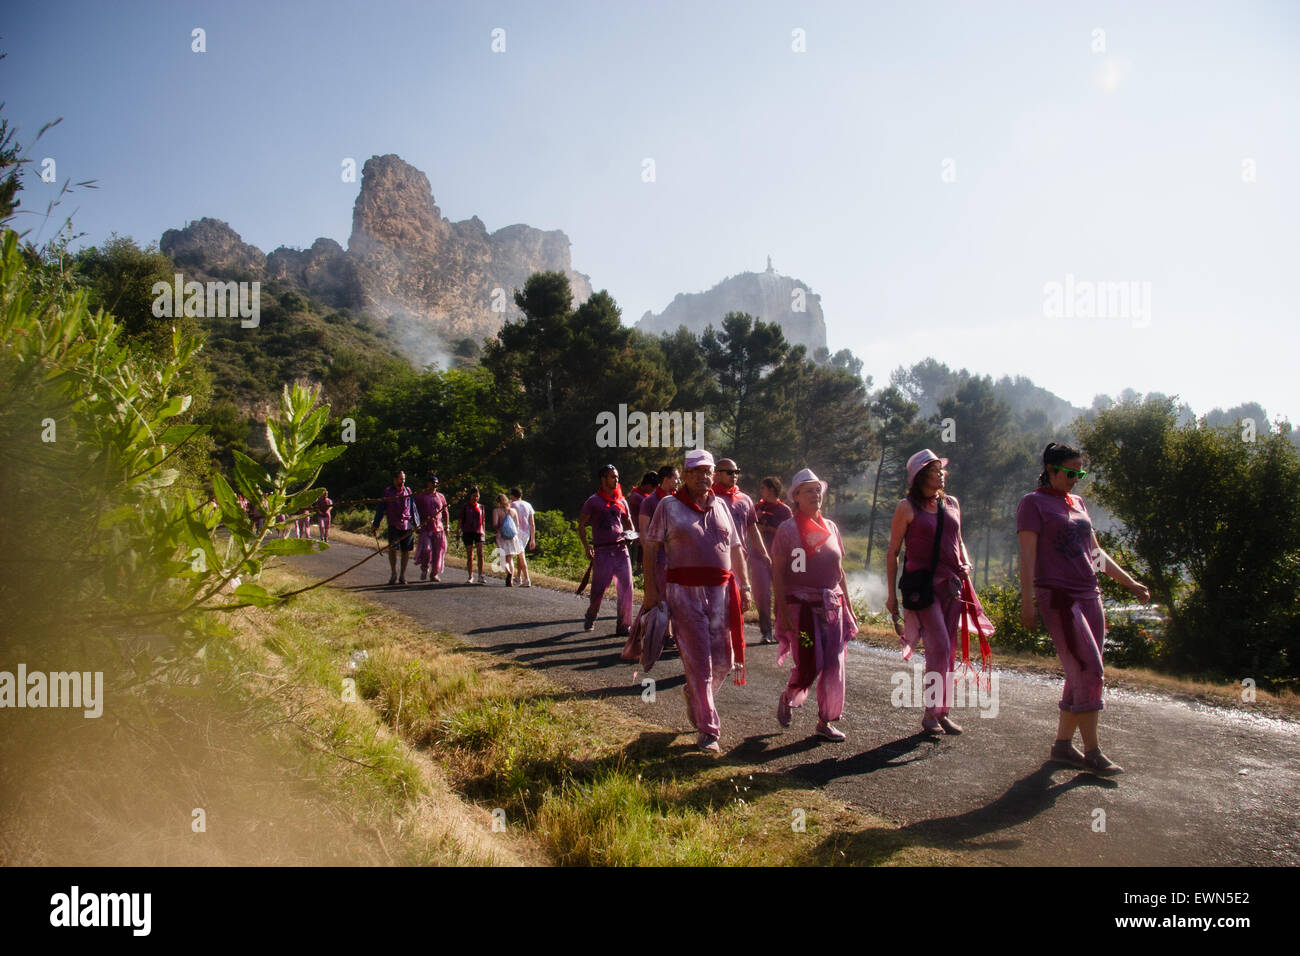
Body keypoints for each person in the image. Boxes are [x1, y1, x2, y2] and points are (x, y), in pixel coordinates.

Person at [1018, 442, 1149, 775]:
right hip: (1059, 598)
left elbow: (1095, 554)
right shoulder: (1032, 504)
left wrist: (1130, 583)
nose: (1076, 478)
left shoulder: (1077, 503)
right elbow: (1028, 557)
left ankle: (1063, 746)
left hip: (1090, 594)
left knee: (1080, 671)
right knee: (1090, 669)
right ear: (1051, 469)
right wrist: (1027, 603)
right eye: (1071, 472)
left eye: (1080, 472)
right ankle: (1093, 752)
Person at [642, 449, 751, 753]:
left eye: (709, 471)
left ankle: (694, 695)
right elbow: (650, 549)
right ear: (685, 475)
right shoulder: (669, 506)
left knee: (723, 661)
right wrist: (651, 592)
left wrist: (746, 588)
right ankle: (709, 730)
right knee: (699, 662)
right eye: (697, 471)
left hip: (720, 594)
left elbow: (737, 549)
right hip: (684, 593)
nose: (704, 476)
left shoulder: (722, 506)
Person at [884, 449, 989, 735]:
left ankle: (942, 712)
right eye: (933, 470)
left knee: (949, 650)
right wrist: (891, 595)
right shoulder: (907, 507)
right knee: (940, 646)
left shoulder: (951, 503)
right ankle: (931, 715)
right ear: (920, 477)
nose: (940, 474)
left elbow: (958, 539)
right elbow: (893, 552)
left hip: (952, 585)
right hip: (922, 588)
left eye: (940, 470)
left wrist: (965, 562)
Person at [773, 468, 858, 742]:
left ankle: (826, 721)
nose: (815, 494)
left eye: (818, 490)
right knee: (810, 663)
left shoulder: (831, 527)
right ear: (796, 496)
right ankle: (789, 695)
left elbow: (840, 571)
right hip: (802, 612)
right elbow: (778, 574)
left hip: (832, 608)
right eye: (809, 490)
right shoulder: (787, 530)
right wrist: (783, 612)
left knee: (834, 664)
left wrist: (850, 607)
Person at [712, 458, 773, 641]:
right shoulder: (710, 497)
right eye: (729, 472)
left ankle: (729, 644)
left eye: (737, 471)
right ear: (717, 474)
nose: (734, 476)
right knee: (715, 605)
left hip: (739, 561)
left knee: (737, 604)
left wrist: (764, 554)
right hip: (715, 561)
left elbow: (752, 529)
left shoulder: (744, 499)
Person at [578, 464, 636, 635]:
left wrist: (630, 536)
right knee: (598, 590)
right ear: (603, 479)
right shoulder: (593, 501)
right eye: (612, 476)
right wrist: (587, 547)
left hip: (620, 550)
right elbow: (581, 526)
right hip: (602, 552)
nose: (616, 479)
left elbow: (629, 523)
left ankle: (624, 625)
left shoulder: (621, 500)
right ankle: (591, 615)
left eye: (617, 476)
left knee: (627, 588)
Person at [639, 465, 682, 631]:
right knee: (659, 596)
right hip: (658, 558)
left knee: (673, 597)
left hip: (675, 558)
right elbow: (644, 532)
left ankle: (661, 631)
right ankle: (662, 633)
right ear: (666, 479)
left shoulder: (677, 501)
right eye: (676, 478)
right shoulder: (649, 501)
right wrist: (649, 557)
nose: (679, 481)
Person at [754, 476, 793, 644]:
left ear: (771, 490)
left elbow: (789, 535)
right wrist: (756, 519)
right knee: (762, 594)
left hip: (779, 557)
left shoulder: (784, 511)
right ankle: (766, 632)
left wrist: (767, 528)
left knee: (780, 594)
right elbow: (749, 528)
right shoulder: (757, 507)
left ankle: (780, 630)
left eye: (763, 488)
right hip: (759, 556)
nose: (761, 491)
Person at [371, 469, 422, 586]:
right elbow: (381, 509)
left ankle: (402, 575)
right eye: (400, 479)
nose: (402, 481)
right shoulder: (388, 492)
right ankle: (393, 573)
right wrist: (375, 524)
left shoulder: (408, 491)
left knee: (406, 551)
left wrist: (417, 524)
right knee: (393, 549)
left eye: (403, 479)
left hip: (407, 525)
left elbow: (413, 508)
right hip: (393, 525)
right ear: (394, 480)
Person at [413, 474, 448, 582]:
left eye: (436, 483)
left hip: (438, 528)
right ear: (428, 483)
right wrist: (417, 524)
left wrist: (447, 526)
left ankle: (434, 573)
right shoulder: (421, 496)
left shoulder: (440, 497)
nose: (434, 485)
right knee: (427, 549)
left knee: (438, 551)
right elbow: (415, 511)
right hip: (425, 527)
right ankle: (424, 568)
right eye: (432, 482)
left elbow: (445, 512)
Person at [627, 471, 659, 571]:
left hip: (642, 532)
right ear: (648, 485)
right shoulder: (638, 497)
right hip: (638, 533)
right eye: (653, 488)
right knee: (641, 562)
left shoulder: (641, 495)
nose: (653, 490)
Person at [492, 493, 524, 586]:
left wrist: (500, 528)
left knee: (502, 558)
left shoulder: (496, 511)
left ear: (498, 502)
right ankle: (510, 580)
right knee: (510, 559)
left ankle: (508, 572)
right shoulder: (513, 511)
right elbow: (517, 524)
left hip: (501, 536)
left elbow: (495, 524)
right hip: (512, 537)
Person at [458, 487, 487, 585]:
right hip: (468, 532)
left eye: (477, 496)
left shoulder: (481, 507)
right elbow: (461, 519)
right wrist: (458, 531)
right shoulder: (465, 506)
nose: (475, 498)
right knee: (470, 555)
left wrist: (484, 532)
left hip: (479, 532)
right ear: (470, 496)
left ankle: (481, 575)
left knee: (480, 553)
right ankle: (470, 576)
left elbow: (483, 521)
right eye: (474, 496)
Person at [509, 487, 535, 587]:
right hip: (526, 533)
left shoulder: (512, 505)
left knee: (521, 555)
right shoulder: (528, 505)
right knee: (520, 554)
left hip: (517, 532)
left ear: (512, 496)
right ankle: (518, 577)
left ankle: (527, 579)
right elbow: (532, 523)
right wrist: (533, 539)